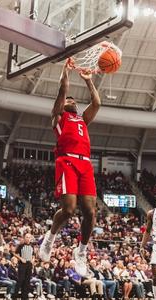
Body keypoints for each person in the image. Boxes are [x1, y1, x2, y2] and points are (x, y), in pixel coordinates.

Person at [39, 57, 101, 276]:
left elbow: (97, 104)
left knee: (90, 212)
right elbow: (63, 91)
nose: (72, 100)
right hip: (66, 161)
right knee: (68, 209)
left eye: (74, 100)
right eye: (68, 100)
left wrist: (88, 80)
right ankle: (50, 238)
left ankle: (82, 251)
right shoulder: (58, 117)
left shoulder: (82, 119)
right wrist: (65, 70)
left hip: (85, 163)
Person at [13, 233, 35, 300]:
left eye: (29, 237)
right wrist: (21, 258)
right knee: (20, 280)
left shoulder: (32, 246)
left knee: (27, 282)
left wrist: (33, 259)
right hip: (22, 264)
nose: (28, 238)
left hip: (29, 265)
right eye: (27, 237)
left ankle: (25, 297)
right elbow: (14, 253)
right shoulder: (21, 245)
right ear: (24, 238)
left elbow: (33, 255)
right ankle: (14, 297)